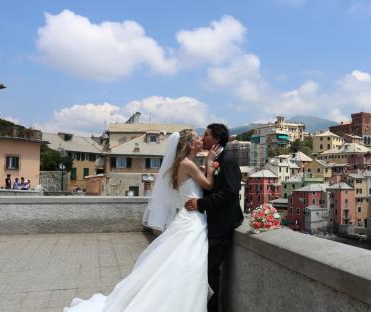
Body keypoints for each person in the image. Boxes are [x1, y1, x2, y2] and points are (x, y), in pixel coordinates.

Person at [64, 129, 217, 312]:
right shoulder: (188, 164)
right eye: (197, 138)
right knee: (188, 263)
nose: (201, 139)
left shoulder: (184, 163)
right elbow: (208, 185)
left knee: (180, 262)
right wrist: (210, 162)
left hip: (189, 217)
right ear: (191, 145)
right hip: (192, 221)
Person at [184, 123, 243, 312]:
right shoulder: (216, 159)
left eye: (207, 134)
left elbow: (231, 191)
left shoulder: (228, 159)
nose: (203, 138)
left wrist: (202, 204)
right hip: (213, 222)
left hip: (223, 224)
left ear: (216, 139)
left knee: (210, 270)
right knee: (206, 269)